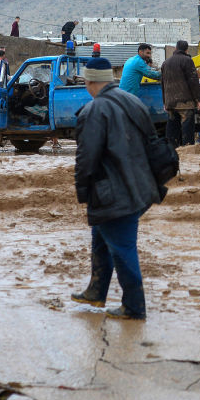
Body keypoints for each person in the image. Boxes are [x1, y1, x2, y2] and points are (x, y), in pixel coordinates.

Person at [70, 57, 163, 320]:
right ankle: (96, 291)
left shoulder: (94, 110)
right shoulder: (132, 101)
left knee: (123, 248)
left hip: (113, 192)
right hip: (139, 186)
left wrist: (82, 192)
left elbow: (85, 159)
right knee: (101, 239)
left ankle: (134, 307)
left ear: (90, 82)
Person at [160, 40, 200, 146]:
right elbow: (193, 81)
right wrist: (199, 99)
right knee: (187, 133)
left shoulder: (165, 63)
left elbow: (163, 84)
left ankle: (172, 154)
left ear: (175, 48)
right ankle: (188, 155)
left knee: (172, 133)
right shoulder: (187, 60)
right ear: (187, 50)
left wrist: (165, 102)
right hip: (185, 103)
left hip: (170, 103)